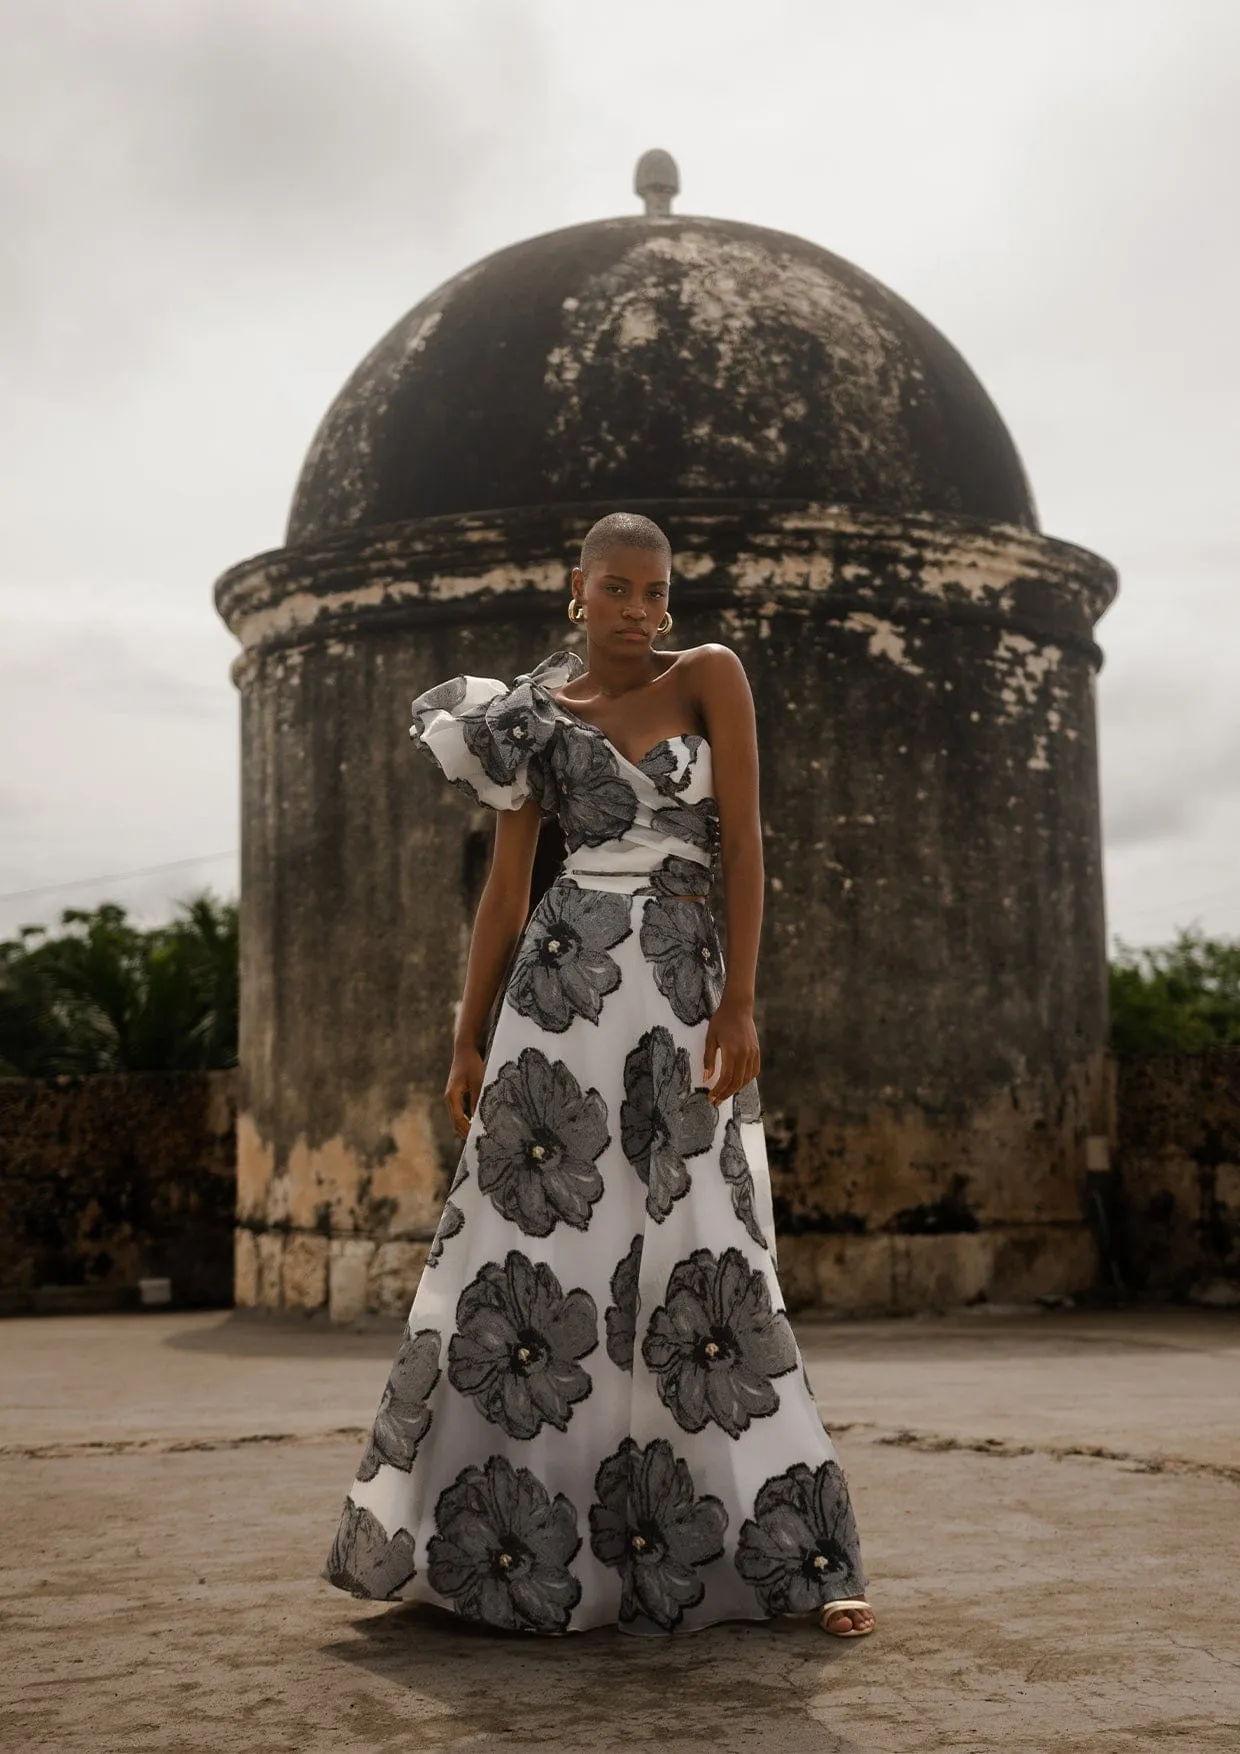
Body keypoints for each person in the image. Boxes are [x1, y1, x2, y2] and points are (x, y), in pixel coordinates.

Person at [321, 511, 876, 1641]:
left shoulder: (709, 674)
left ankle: (790, 1556)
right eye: (618, 588)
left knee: (708, 1248)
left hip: (679, 984)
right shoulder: (525, 721)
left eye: (655, 589)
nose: (642, 608)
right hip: (558, 994)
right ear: (577, 589)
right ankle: (501, 1551)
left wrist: (738, 997)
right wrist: (468, 1034)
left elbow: (747, 838)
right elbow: (505, 889)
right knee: (531, 1255)